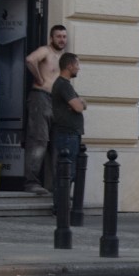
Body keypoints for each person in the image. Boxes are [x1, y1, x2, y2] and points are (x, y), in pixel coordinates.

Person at [23, 24, 68, 194]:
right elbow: (30, 59)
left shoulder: (64, 57)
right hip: (40, 97)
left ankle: (57, 184)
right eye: (58, 36)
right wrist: (39, 78)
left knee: (57, 142)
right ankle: (31, 183)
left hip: (58, 102)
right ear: (51, 38)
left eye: (64, 37)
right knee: (39, 140)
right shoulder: (46, 51)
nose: (62, 40)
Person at [50, 52, 86, 201]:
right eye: (77, 65)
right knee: (67, 171)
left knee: (69, 171)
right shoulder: (63, 85)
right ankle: (60, 207)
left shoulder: (65, 85)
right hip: (67, 134)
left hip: (70, 134)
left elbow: (79, 104)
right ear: (70, 66)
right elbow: (78, 106)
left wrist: (80, 103)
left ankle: (61, 205)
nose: (79, 68)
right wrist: (80, 103)